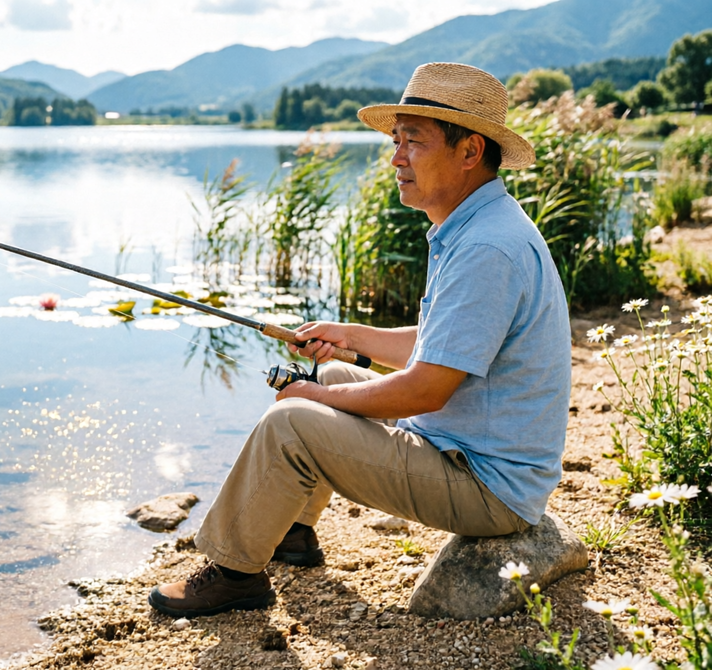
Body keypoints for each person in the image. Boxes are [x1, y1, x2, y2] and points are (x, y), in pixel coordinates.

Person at [149, 62, 572, 618]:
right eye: (396, 142)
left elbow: (425, 391)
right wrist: (349, 337)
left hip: (486, 486)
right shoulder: (478, 226)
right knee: (329, 374)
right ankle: (293, 537)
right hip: (472, 453)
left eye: (413, 143)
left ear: (470, 151)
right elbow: (447, 342)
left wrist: (314, 402)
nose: (396, 158)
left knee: (291, 419)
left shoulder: (486, 248)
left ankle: (234, 573)